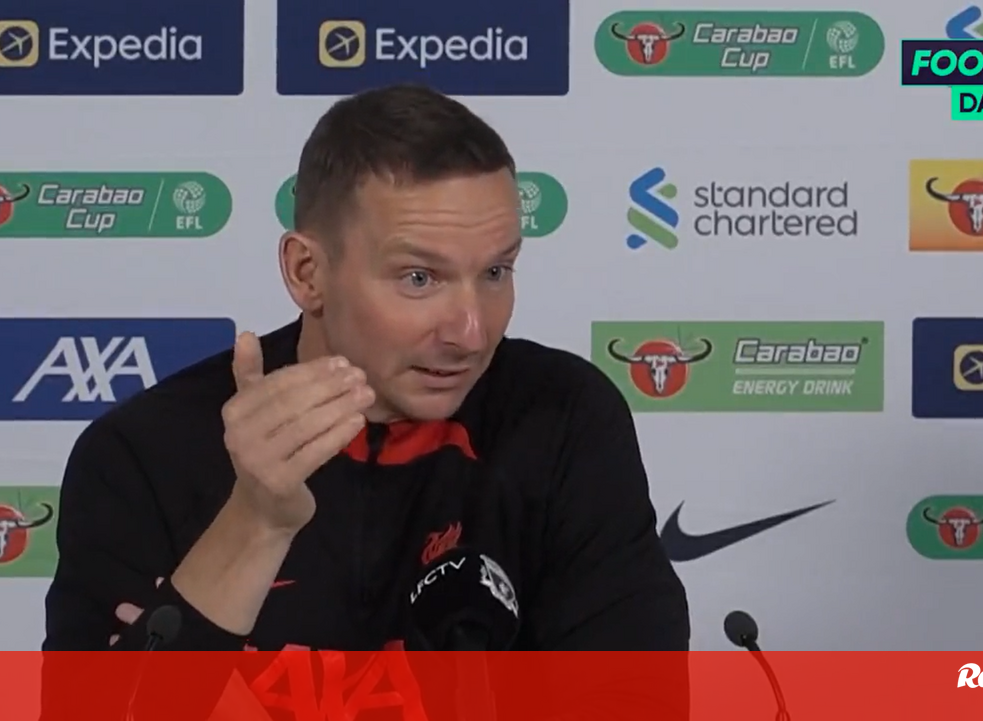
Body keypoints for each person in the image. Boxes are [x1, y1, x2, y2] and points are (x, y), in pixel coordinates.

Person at [41, 83, 689, 717]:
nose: (470, 332)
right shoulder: (142, 452)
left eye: (496, 271)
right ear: (307, 273)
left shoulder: (563, 416)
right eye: (419, 277)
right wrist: (256, 522)